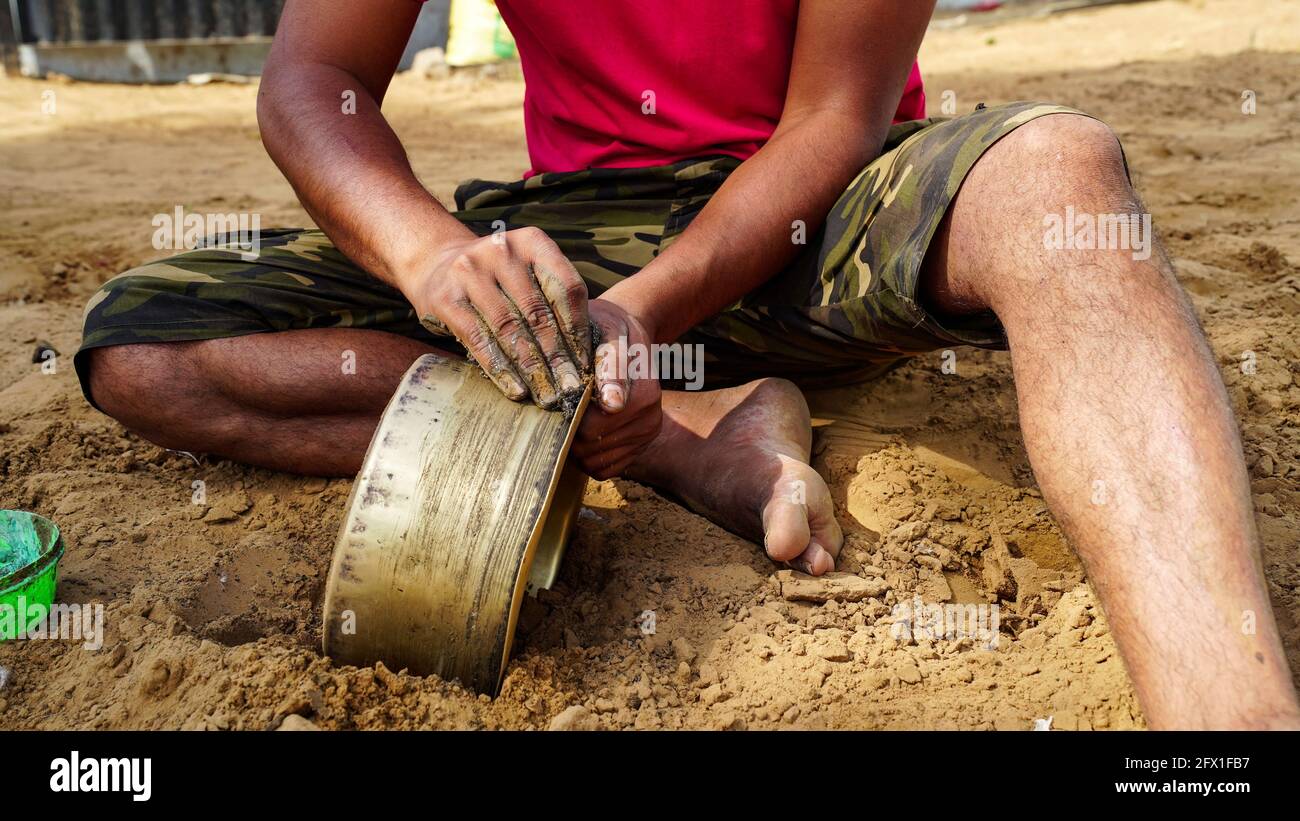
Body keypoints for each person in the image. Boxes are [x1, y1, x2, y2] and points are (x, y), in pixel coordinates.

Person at [74, 0, 1299, 729]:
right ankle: (681, 437)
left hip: (817, 210)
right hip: (588, 224)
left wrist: (637, 311)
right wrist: (433, 257)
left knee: (1062, 173)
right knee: (147, 345)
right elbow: (315, 79)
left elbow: (834, 116)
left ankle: (1224, 732)